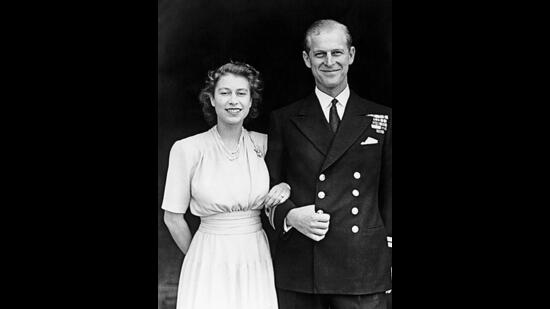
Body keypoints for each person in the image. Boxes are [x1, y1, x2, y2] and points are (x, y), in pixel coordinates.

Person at [265, 19, 392, 309]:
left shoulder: (382, 118)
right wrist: (290, 216)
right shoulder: (285, 119)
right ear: (306, 59)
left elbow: (390, 194)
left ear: (351, 55)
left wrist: (389, 255)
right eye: (320, 54)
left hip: (362, 265)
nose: (329, 62)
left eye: (337, 53)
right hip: (302, 263)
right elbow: (267, 186)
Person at [161, 61, 290, 309]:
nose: (233, 101)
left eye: (241, 93)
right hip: (208, 253)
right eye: (225, 92)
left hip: (255, 254)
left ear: (251, 101)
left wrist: (286, 186)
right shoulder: (187, 149)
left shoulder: (264, 145)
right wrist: (199, 259)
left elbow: (291, 179)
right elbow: (172, 218)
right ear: (211, 99)